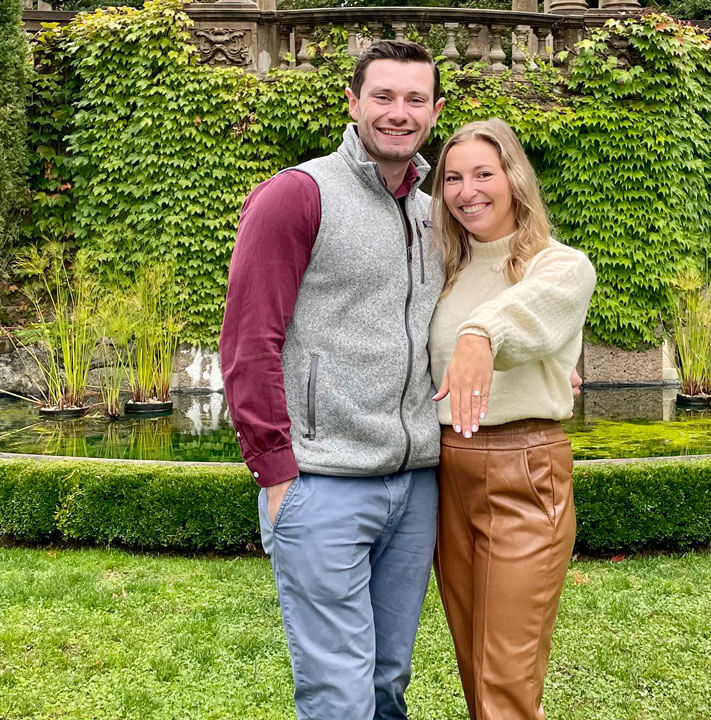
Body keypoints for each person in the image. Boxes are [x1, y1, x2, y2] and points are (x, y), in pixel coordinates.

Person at [218, 40, 446, 720]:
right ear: (352, 103)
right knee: (339, 695)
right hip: (320, 485)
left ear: (435, 111)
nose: (398, 113)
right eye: (383, 96)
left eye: (414, 100)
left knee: (387, 681)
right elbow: (248, 339)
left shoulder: (434, 213)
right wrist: (277, 472)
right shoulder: (298, 195)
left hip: (416, 487)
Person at [428, 118, 596, 720]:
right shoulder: (444, 266)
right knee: (475, 671)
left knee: (506, 675)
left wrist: (480, 333)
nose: (467, 190)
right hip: (447, 472)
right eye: (452, 178)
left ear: (514, 178)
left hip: (523, 469)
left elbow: (528, 317)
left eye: (483, 173)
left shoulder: (560, 266)